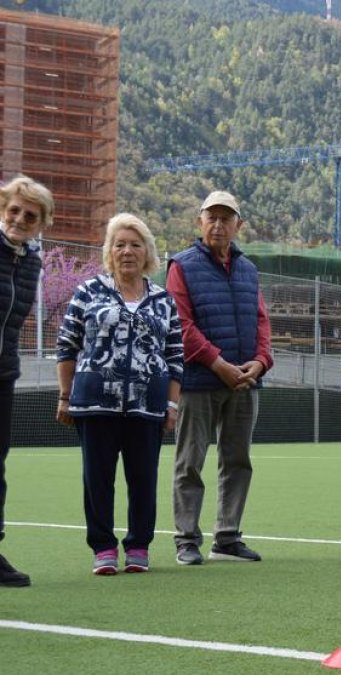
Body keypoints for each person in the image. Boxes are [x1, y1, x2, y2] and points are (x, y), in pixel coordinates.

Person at [55, 214, 184, 575]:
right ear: (110, 251)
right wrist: (65, 396)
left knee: (143, 478)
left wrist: (172, 405)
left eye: (135, 244)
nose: (127, 251)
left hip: (149, 404)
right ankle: (104, 548)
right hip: (94, 402)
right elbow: (67, 345)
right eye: (120, 244)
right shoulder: (88, 291)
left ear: (148, 253)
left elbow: (175, 356)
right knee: (97, 478)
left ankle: (139, 546)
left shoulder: (163, 300)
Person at [167, 191, 274, 565]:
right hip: (199, 381)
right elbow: (181, 325)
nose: (218, 224)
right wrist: (218, 364)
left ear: (238, 225)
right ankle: (186, 539)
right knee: (190, 461)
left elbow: (262, 321)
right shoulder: (181, 265)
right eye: (211, 217)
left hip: (245, 382)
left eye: (226, 218)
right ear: (200, 221)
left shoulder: (249, 269)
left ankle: (227, 537)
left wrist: (260, 361)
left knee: (238, 460)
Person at [0, 175, 53, 587]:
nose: (19, 218)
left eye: (29, 215)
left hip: (4, 374)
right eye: (14, 210)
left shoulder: (32, 260)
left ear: (41, 223)